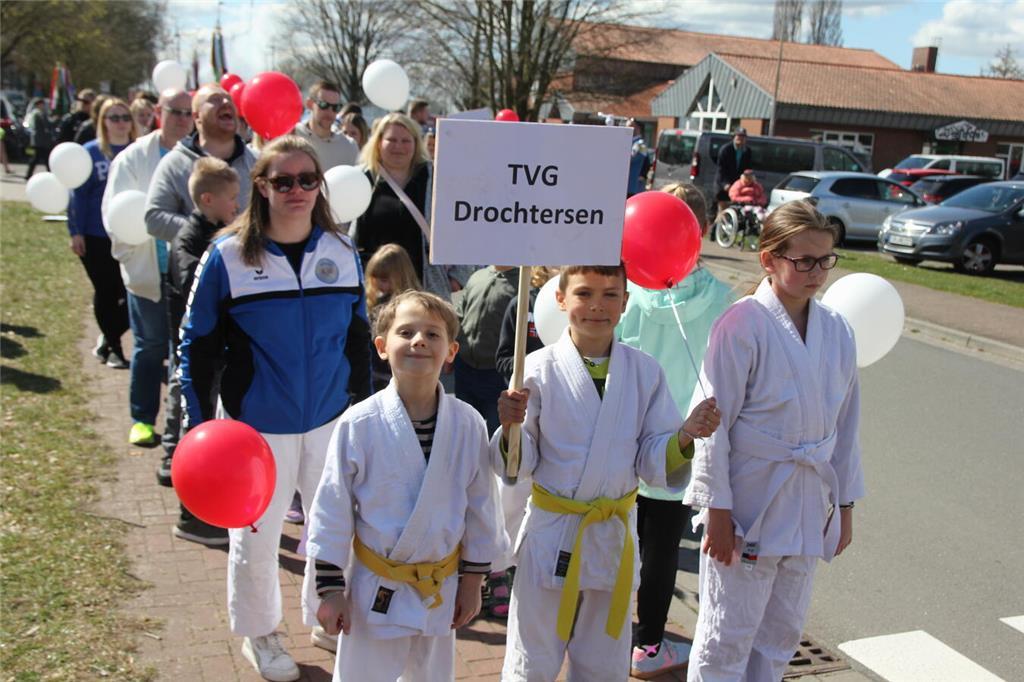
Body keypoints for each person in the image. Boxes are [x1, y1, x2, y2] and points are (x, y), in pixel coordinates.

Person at [178, 135, 372, 681]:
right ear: (260, 186)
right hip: (252, 429)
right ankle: (260, 633)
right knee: (256, 537)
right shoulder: (228, 256)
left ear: (320, 186)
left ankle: (322, 613)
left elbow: (358, 340)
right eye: (282, 180)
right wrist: (198, 431)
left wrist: (360, 407)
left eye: (307, 179)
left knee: (334, 528)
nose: (297, 190)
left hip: (330, 418)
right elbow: (194, 346)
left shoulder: (342, 250)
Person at [495, 264, 721, 681]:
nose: (597, 306)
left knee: (603, 661)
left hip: (612, 533)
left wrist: (685, 436)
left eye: (610, 294)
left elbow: (652, 458)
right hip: (552, 533)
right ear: (560, 300)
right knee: (533, 657)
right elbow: (520, 463)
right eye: (584, 294)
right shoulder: (535, 370)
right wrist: (510, 426)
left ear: (626, 302)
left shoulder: (645, 371)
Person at [684, 200, 863, 680]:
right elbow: (711, 423)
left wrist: (844, 506)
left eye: (825, 259)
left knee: (782, 633)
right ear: (769, 259)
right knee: (726, 634)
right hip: (749, 502)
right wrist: (716, 508)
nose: (816, 272)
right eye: (803, 260)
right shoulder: (741, 324)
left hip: (806, 503)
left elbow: (846, 426)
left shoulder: (838, 330)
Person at [307, 290, 506, 682]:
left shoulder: (468, 423)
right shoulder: (358, 423)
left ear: (451, 351)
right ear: (382, 347)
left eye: (433, 335)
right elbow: (332, 509)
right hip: (375, 587)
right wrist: (330, 589)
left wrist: (472, 581)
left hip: (439, 586)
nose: (419, 341)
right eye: (406, 332)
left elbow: (481, 506)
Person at [616, 183, 734, 679]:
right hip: (686, 438)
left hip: (630, 433)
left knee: (623, 540)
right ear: (700, 230)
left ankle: (612, 628)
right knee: (663, 547)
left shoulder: (631, 294)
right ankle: (649, 642)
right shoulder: (725, 299)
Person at [146, 83, 257, 518]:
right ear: (195, 115)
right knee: (189, 375)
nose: (227, 104)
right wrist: (216, 244)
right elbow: (154, 215)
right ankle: (179, 457)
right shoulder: (177, 162)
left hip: (243, 287)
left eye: (229, 100)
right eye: (215, 100)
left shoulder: (252, 159)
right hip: (196, 285)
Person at [102, 88, 195, 448]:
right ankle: (142, 419)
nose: (183, 119)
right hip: (148, 269)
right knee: (150, 346)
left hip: (187, 273)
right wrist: (129, 255)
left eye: (189, 113)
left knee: (183, 351)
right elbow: (115, 211)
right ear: (159, 111)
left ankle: (181, 425)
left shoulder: (196, 156)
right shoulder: (132, 158)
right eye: (176, 111)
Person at [350, 112, 474, 303]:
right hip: (376, 291)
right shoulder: (362, 179)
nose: (399, 146)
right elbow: (345, 235)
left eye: (406, 140)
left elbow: (464, 226)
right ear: (378, 142)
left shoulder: (436, 178)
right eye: (391, 140)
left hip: (426, 289)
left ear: (416, 143)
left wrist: (458, 278)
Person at [69, 97, 135, 371]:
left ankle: (107, 340)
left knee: (133, 294)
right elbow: (78, 196)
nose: (120, 123)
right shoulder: (91, 152)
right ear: (103, 122)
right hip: (95, 235)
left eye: (125, 117)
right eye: (114, 118)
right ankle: (115, 350)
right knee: (107, 292)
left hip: (131, 235)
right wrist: (76, 231)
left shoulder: (139, 151)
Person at [454, 265, 518, 434]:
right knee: (462, 428)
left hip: (495, 375)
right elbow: (460, 315)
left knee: (494, 433)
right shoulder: (477, 277)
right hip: (464, 368)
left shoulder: (522, 285)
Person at [364, 243, 421, 392]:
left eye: (383, 279)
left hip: (398, 375)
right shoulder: (376, 301)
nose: (377, 284)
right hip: (375, 372)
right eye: (374, 278)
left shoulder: (412, 306)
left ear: (399, 277)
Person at [293, 80, 359, 171]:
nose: (330, 112)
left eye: (336, 107)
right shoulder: (292, 135)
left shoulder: (349, 146)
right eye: (323, 105)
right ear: (309, 104)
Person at [714, 128, 752, 225]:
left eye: (743, 137)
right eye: (738, 136)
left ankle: (727, 232)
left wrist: (745, 182)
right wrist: (725, 184)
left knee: (734, 211)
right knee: (723, 210)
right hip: (724, 184)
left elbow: (746, 170)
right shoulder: (726, 150)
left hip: (737, 187)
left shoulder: (747, 151)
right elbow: (720, 169)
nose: (740, 139)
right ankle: (716, 231)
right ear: (734, 137)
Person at [24, 98, 55, 180]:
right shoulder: (38, 113)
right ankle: (50, 174)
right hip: (40, 140)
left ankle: (29, 174)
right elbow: (47, 124)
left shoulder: (36, 113)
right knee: (41, 158)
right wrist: (54, 120)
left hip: (39, 140)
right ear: (38, 105)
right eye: (42, 104)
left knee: (39, 158)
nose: (43, 106)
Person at [627, 118, 651, 197]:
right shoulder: (629, 142)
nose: (626, 128)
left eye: (630, 126)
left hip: (633, 187)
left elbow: (630, 159)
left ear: (637, 128)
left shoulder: (641, 145)